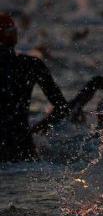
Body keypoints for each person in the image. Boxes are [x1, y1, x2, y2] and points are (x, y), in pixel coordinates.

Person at [0, 13, 69, 162]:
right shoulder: (31, 64)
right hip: (22, 149)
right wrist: (37, 129)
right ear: (14, 36)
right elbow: (62, 107)